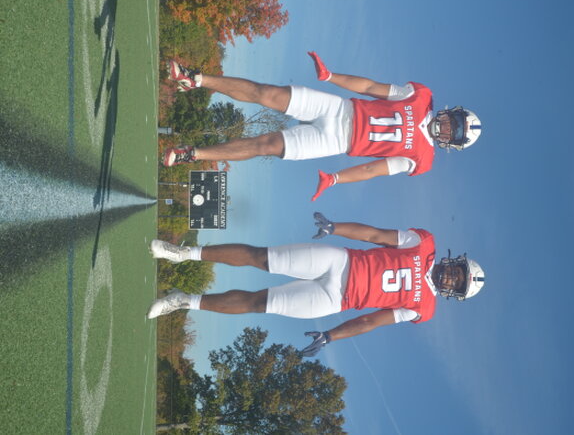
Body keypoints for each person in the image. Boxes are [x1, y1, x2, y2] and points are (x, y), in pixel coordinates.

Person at [146, 213, 486, 356]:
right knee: (260, 257)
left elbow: (371, 321)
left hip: (334, 299)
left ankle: (183, 300)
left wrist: (331, 336)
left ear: (452, 293)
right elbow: (374, 235)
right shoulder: (424, 243)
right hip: (340, 261)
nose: (451, 277)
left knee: (259, 303)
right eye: (457, 272)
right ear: (454, 261)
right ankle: (182, 253)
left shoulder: (423, 308)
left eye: (457, 283)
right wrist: (335, 228)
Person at [163, 52, 483, 200]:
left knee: (266, 145)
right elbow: (371, 87)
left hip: (335, 140)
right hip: (338, 107)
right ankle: (195, 79)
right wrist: (331, 77)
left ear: (450, 143)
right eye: (453, 122)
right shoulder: (420, 96)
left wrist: (336, 179)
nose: (446, 128)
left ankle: (191, 154)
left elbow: (374, 169)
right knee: (267, 93)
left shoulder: (421, 158)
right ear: (450, 112)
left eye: (452, 133)